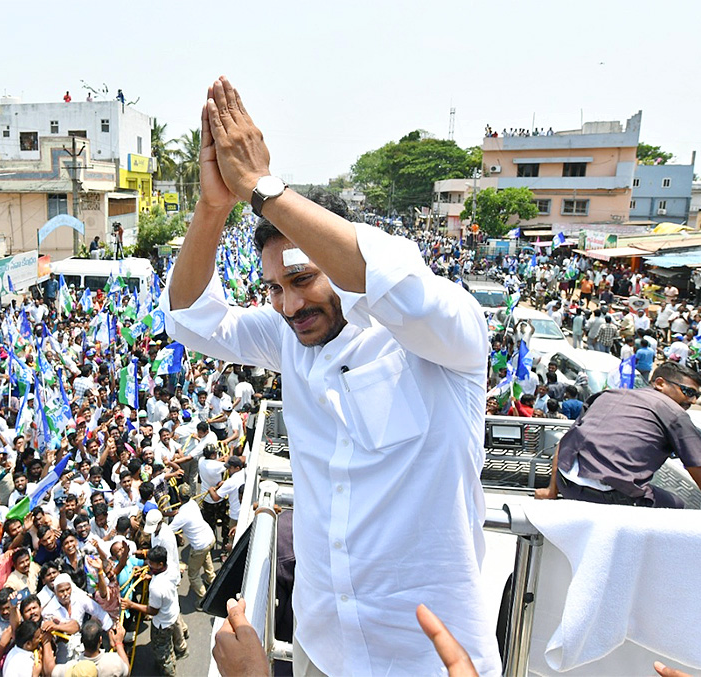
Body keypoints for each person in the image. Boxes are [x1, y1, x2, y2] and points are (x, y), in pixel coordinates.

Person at [167, 77, 499, 676]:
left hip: (430, 656)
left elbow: (393, 280)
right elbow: (192, 319)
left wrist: (264, 190)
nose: (289, 306)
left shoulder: (447, 339)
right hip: (325, 645)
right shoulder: (290, 338)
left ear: (343, 262)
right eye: (274, 288)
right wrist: (214, 206)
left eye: (302, 279)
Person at [537, 362, 701, 513]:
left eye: (696, 396)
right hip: (608, 496)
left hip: (566, 483)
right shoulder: (674, 413)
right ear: (659, 383)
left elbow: (566, 442)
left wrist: (551, 491)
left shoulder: (610, 395)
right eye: (688, 392)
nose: (691, 401)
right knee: (677, 507)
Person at [119, 546, 185, 676]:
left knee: (162, 652)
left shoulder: (156, 587)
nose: (148, 564)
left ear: (160, 564)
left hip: (162, 623)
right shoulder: (170, 566)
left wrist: (131, 605)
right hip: (172, 611)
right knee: (169, 642)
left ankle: (169, 672)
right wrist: (150, 574)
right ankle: (180, 650)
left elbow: (152, 611)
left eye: (151, 563)